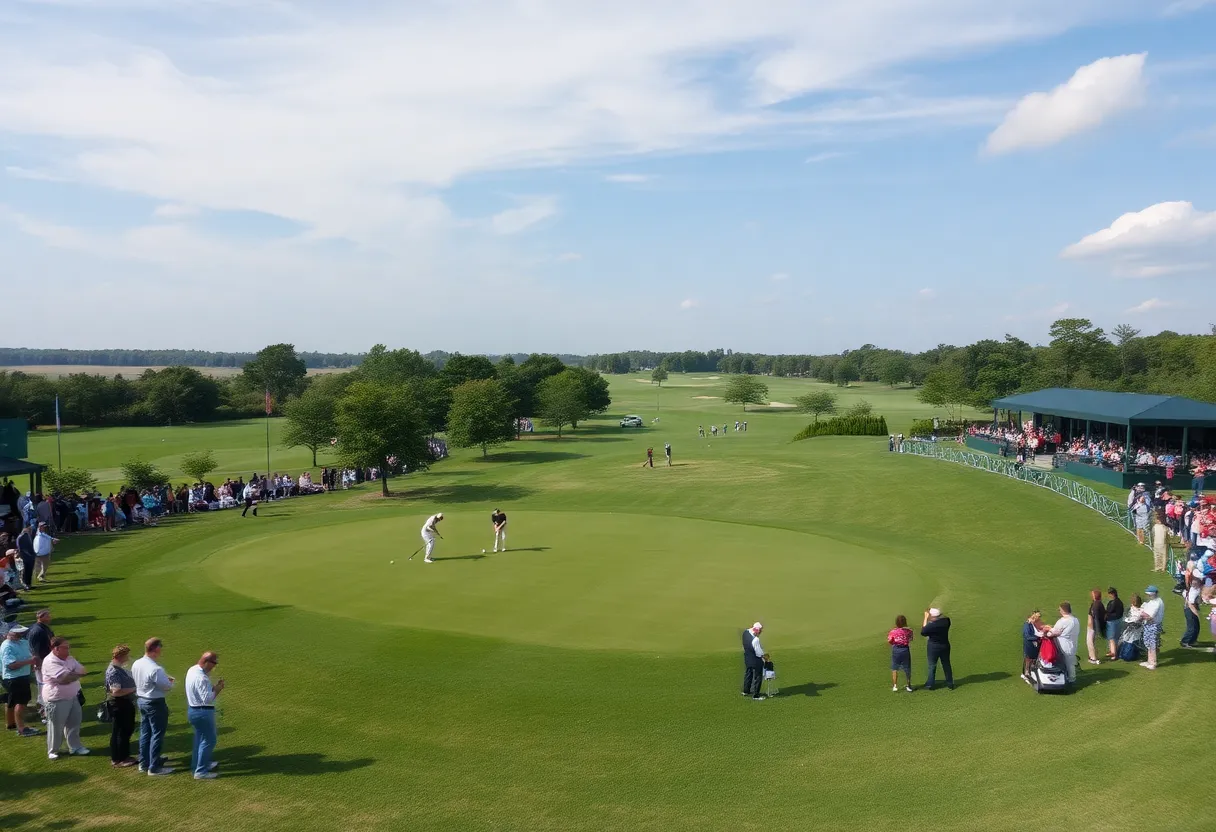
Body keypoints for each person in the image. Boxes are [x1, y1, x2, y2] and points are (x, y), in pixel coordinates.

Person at [132, 637, 175, 775]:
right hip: (155, 703)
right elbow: (166, 686)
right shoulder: (156, 669)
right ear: (156, 649)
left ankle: (144, 763)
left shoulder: (137, 663)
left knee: (145, 733)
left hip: (141, 701)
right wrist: (170, 682)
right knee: (157, 734)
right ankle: (154, 767)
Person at [42, 636, 88, 759]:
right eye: (65, 647)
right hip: (57, 698)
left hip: (73, 696)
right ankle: (53, 750)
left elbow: (83, 670)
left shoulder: (70, 658)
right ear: (56, 649)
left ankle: (75, 747)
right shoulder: (50, 661)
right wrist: (74, 675)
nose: (68, 650)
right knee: (56, 726)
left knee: (74, 723)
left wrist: (72, 675)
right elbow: (64, 678)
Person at [186, 651, 225, 780]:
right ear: (207, 662)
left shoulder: (192, 669)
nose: (214, 666)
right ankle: (201, 771)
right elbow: (207, 699)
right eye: (213, 663)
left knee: (199, 740)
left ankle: (197, 765)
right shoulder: (201, 678)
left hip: (194, 710)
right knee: (209, 740)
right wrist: (218, 689)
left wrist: (212, 688)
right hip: (203, 712)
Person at [2, 624, 41, 737]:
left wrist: (32, 664)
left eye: (21, 633)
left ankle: (17, 725)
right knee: (21, 703)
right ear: (10, 633)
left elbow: (30, 655)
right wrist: (29, 662)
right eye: (18, 633)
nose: (21, 635)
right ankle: (21, 729)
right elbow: (11, 665)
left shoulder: (23, 642)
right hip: (13, 678)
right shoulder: (7, 646)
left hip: (24, 676)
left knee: (21, 701)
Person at [105, 644, 138, 767]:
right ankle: (120, 759)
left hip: (122, 703)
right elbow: (116, 691)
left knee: (122, 731)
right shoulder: (113, 671)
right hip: (119, 704)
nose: (128, 658)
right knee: (121, 731)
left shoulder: (118, 668)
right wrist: (134, 688)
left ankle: (120, 757)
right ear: (121, 656)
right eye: (127, 655)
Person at [27, 608, 53, 710]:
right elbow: (35, 649)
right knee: (43, 683)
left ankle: (42, 702)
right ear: (40, 617)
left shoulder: (42, 628)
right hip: (41, 662)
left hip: (45, 660)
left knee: (45, 682)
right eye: (47, 616)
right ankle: (43, 705)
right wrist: (38, 663)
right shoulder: (37, 631)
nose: (50, 617)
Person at [1047, 602, 1080, 683]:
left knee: (1066, 663)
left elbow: (1052, 632)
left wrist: (1048, 629)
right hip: (1073, 643)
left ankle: (1069, 679)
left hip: (1064, 645)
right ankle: (1071, 678)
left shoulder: (1063, 621)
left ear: (1062, 610)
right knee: (1070, 663)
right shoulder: (1075, 620)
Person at [921, 608, 953, 690]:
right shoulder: (946, 621)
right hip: (945, 645)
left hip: (933, 647)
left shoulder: (932, 625)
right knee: (946, 664)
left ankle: (930, 684)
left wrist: (925, 618)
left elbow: (923, 631)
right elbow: (944, 617)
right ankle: (950, 683)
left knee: (932, 666)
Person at [1137, 586, 1165, 671]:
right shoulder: (1153, 601)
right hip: (1149, 625)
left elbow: (1150, 616)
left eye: (1149, 595)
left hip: (1153, 625)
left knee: (1152, 644)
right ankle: (1149, 661)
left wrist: (1139, 613)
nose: (1148, 596)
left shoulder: (1157, 603)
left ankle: (1153, 663)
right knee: (1148, 643)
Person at [887, 615, 913, 692]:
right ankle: (909, 686)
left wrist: (893, 643)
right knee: (907, 668)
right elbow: (911, 639)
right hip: (905, 650)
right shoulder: (909, 631)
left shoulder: (893, 631)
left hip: (896, 650)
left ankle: (895, 686)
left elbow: (890, 641)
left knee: (894, 668)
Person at [740, 622, 765, 701]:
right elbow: (759, 653)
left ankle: (746, 691)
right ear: (758, 630)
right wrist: (764, 657)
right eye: (760, 631)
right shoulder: (755, 639)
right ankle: (756, 696)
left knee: (748, 674)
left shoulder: (745, 632)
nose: (760, 632)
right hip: (756, 660)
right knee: (758, 677)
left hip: (747, 658)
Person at [1086, 589, 1106, 665]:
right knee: (1091, 642)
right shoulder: (1099, 604)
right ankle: (1093, 656)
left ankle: (1093, 658)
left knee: (1090, 642)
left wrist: (1097, 629)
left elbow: (1095, 618)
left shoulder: (1095, 605)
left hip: (1092, 627)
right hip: (1093, 626)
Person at [1104, 587, 1125, 660]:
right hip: (1118, 621)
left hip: (1112, 622)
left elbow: (1108, 611)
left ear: (1112, 594)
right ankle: (1113, 651)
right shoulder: (1119, 602)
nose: (1109, 596)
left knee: (1111, 638)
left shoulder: (1113, 603)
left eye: (1109, 594)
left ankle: (1114, 654)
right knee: (1116, 637)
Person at [16, 524, 35, 592]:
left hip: (31, 557)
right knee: (25, 572)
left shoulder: (28, 535)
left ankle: (29, 584)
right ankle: (26, 585)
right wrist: (30, 555)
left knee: (29, 571)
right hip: (25, 557)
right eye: (29, 528)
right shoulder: (21, 537)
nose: (30, 530)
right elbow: (21, 548)